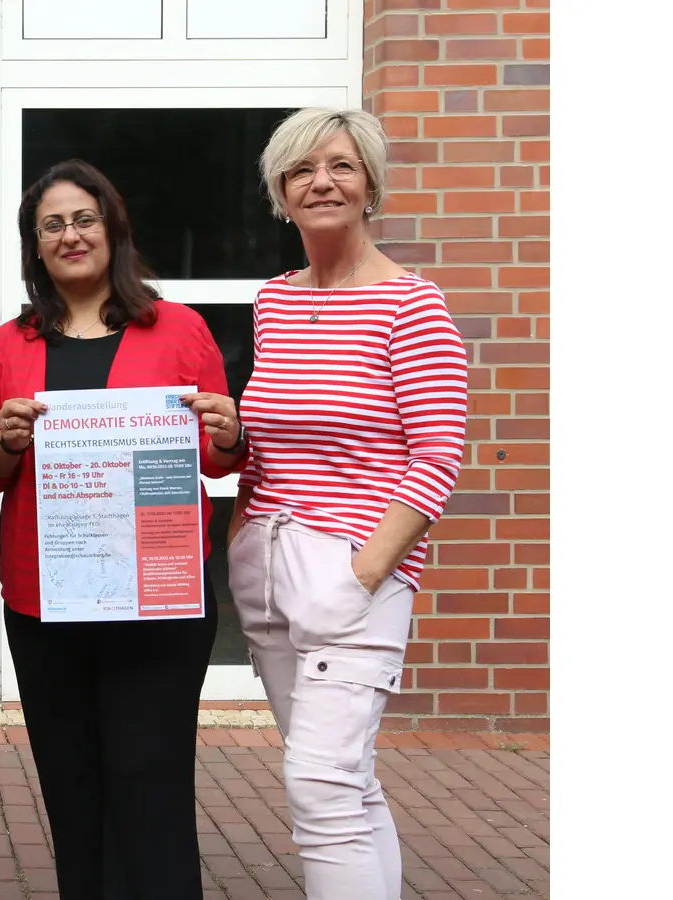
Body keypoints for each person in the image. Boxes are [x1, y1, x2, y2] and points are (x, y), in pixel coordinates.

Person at [0, 159, 247, 899]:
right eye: (52, 224)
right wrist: (7, 439)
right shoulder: (7, 346)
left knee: (149, 781)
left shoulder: (178, 328)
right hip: (45, 604)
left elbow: (219, 462)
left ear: (112, 229)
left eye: (83, 218)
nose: (70, 235)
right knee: (72, 784)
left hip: (157, 602)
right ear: (34, 245)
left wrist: (228, 430)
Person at [228, 107, 468, 900]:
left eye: (339, 166)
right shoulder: (275, 302)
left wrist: (361, 575)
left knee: (319, 787)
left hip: (354, 571)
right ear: (280, 192)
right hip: (265, 567)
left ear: (369, 185)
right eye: (301, 170)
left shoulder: (412, 304)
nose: (320, 182)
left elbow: (437, 462)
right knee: (346, 781)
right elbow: (270, 435)